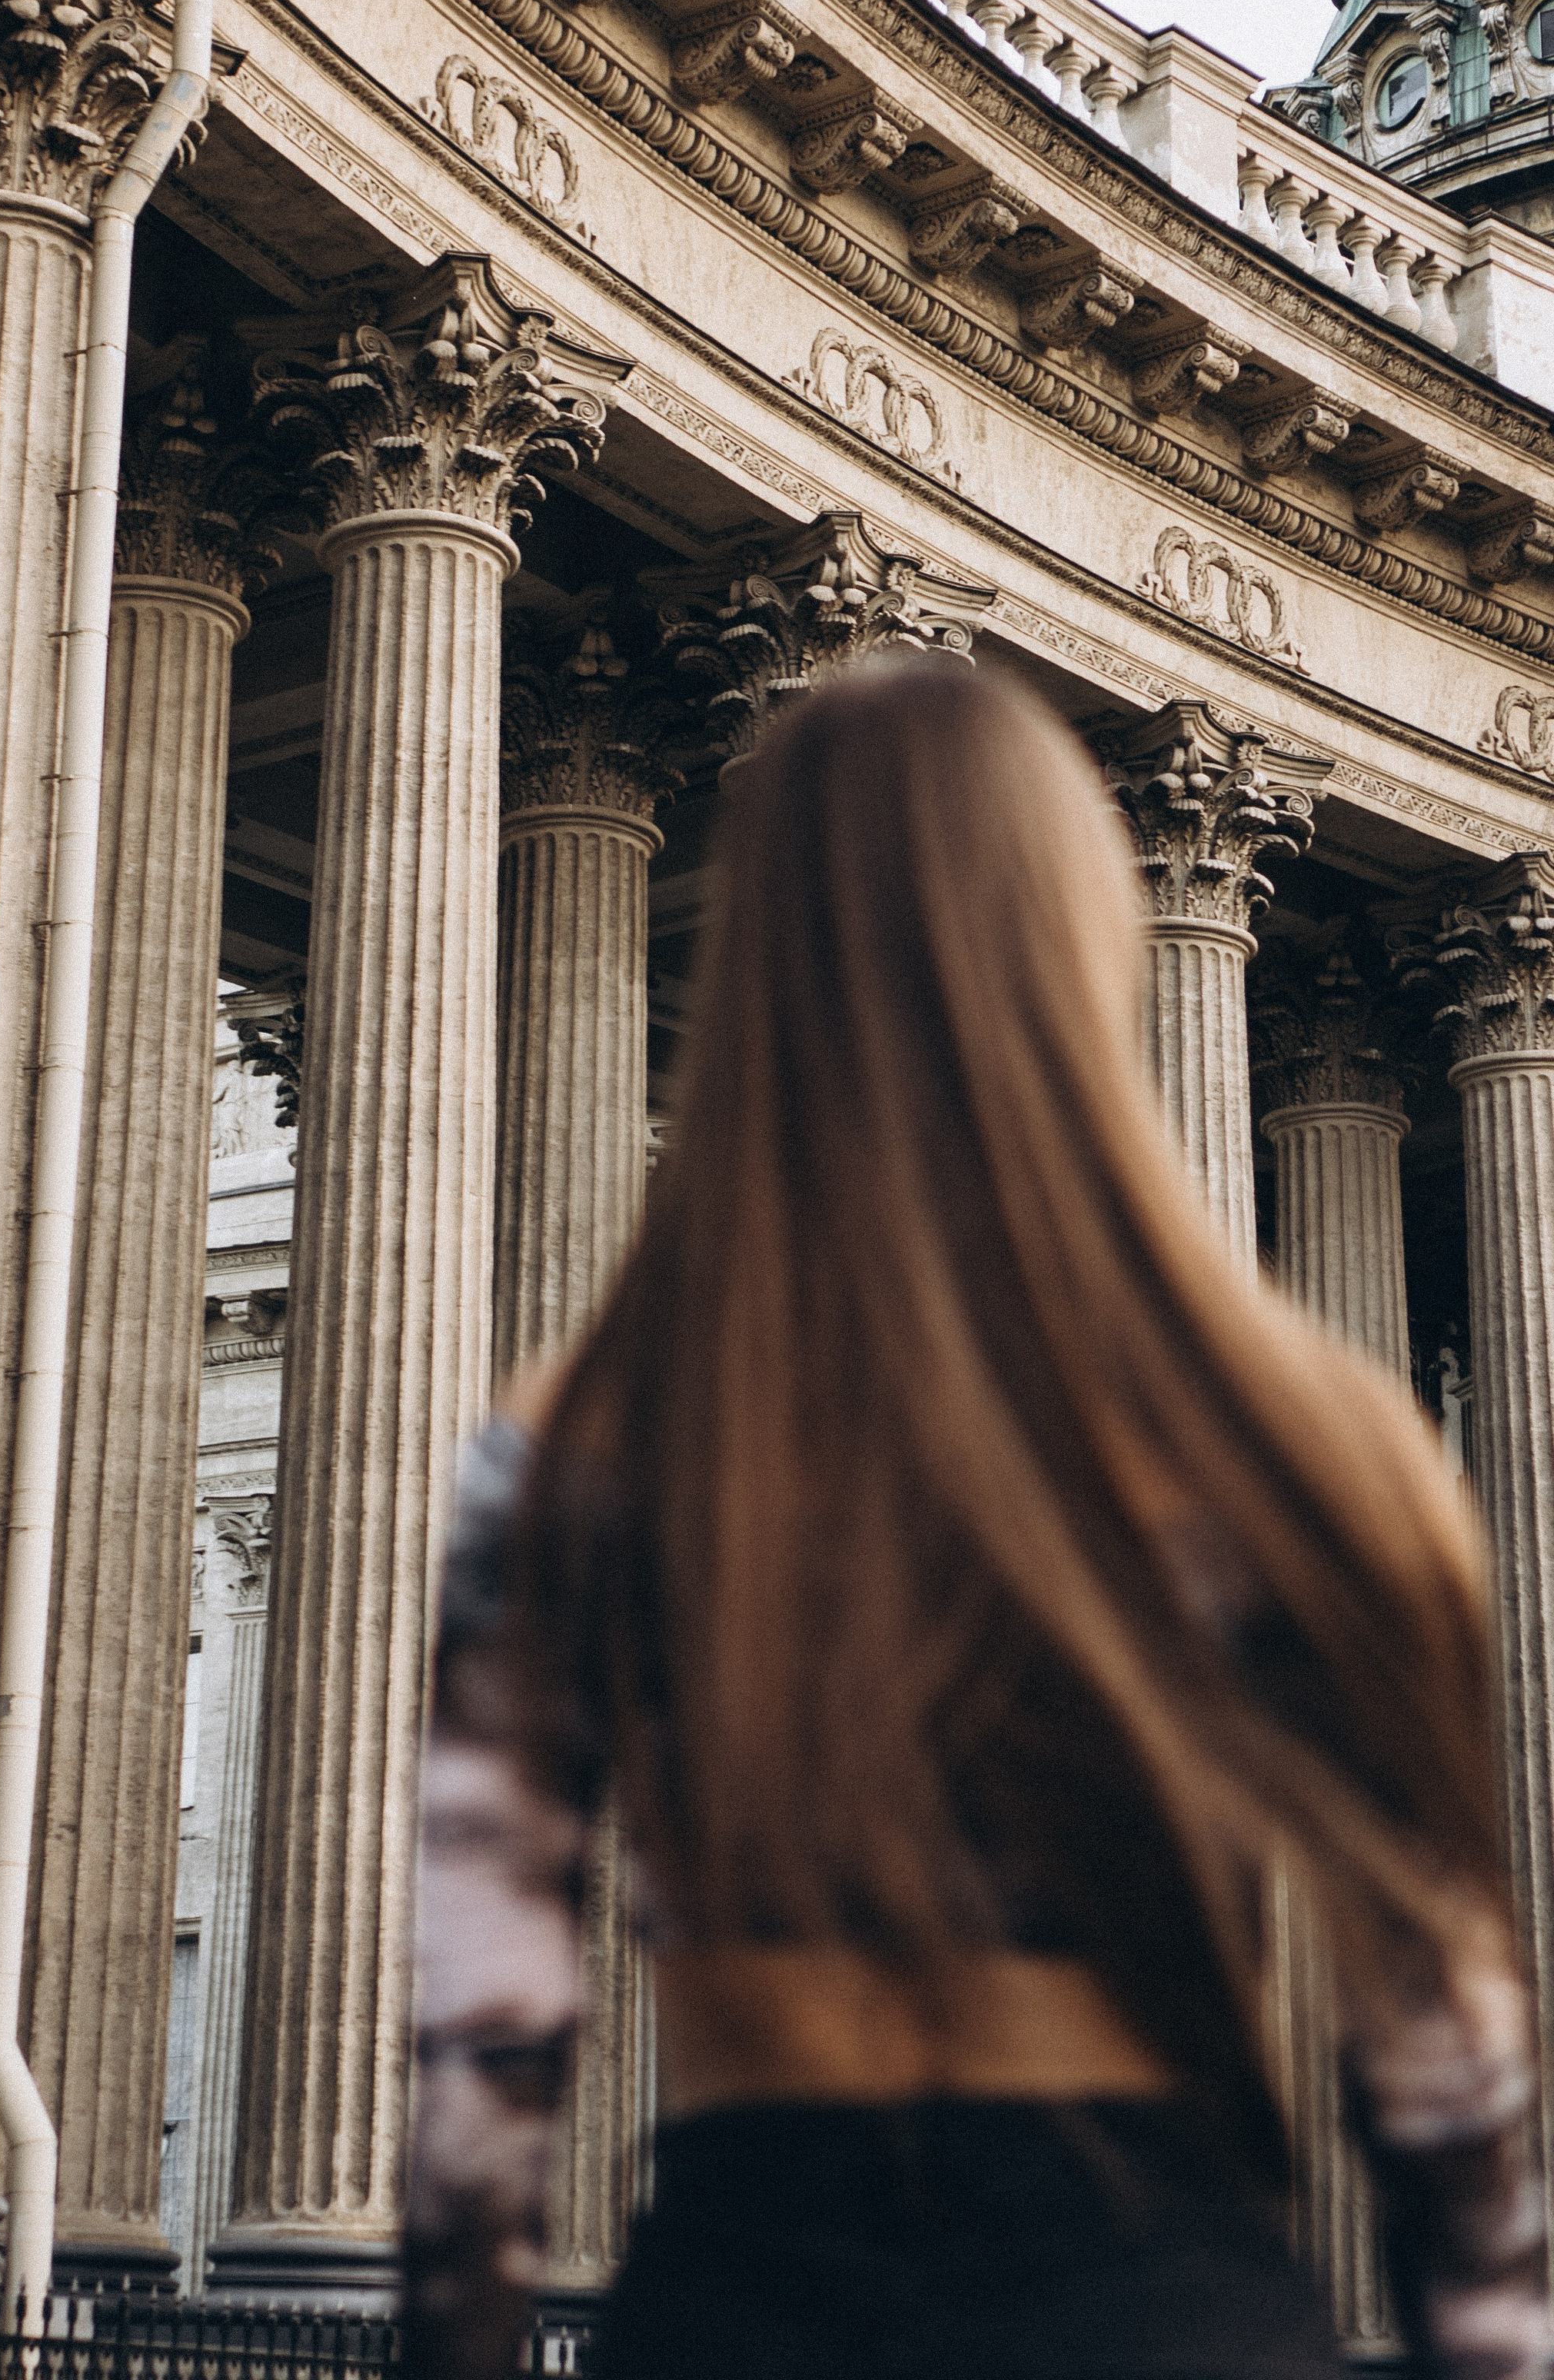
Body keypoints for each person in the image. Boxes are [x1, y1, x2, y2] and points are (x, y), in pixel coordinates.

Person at [401, 656, 1547, 2380]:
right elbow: (1441, 2054)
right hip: (1170, 2313)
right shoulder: (1302, 1431)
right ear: (1081, 941)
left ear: (758, 962)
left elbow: (485, 2038)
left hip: (744, 2301)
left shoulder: (588, 1437)